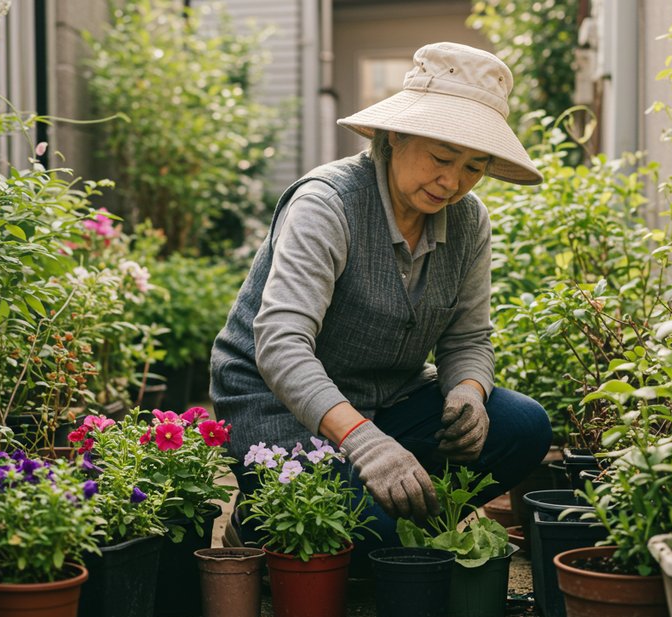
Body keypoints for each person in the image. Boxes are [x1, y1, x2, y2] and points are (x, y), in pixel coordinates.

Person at [210, 42, 553, 557]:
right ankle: (259, 523)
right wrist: (364, 442)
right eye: (441, 157)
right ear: (395, 135)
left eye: (473, 167)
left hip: (389, 399)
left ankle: (411, 506)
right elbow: (280, 346)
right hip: (279, 406)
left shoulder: (468, 219)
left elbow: (469, 338)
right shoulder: (327, 203)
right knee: (376, 537)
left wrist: (469, 392)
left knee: (525, 426)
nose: (452, 182)